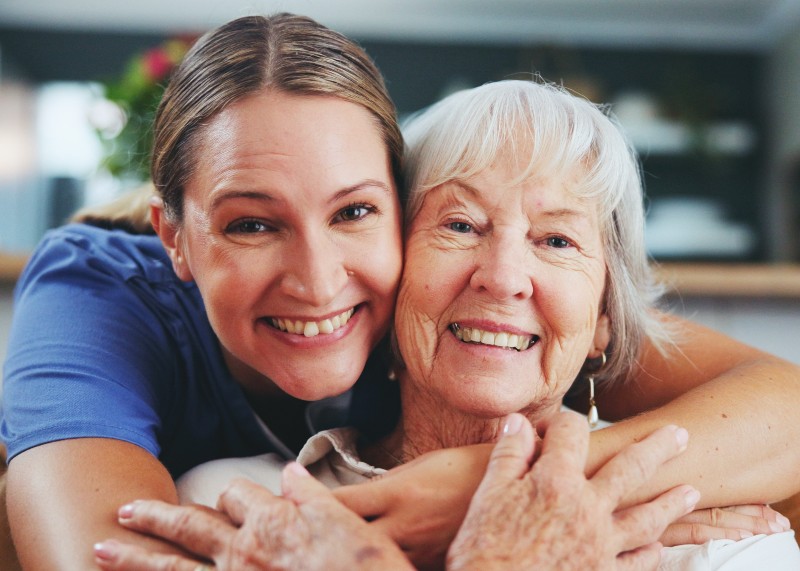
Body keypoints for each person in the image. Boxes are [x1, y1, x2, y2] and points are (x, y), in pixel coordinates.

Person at [1, 14, 799, 571]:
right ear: (174, 234)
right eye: (251, 224)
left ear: (394, 216)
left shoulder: (484, 318)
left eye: (354, 211)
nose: (318, 282)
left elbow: (783, 407)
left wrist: (490, 489)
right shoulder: (103, 297)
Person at [94, 413, 699, 571]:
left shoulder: (704, 522)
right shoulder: (234, 502)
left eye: (556, 240)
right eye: (460, 226)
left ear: (602, 322)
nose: (505, 276)